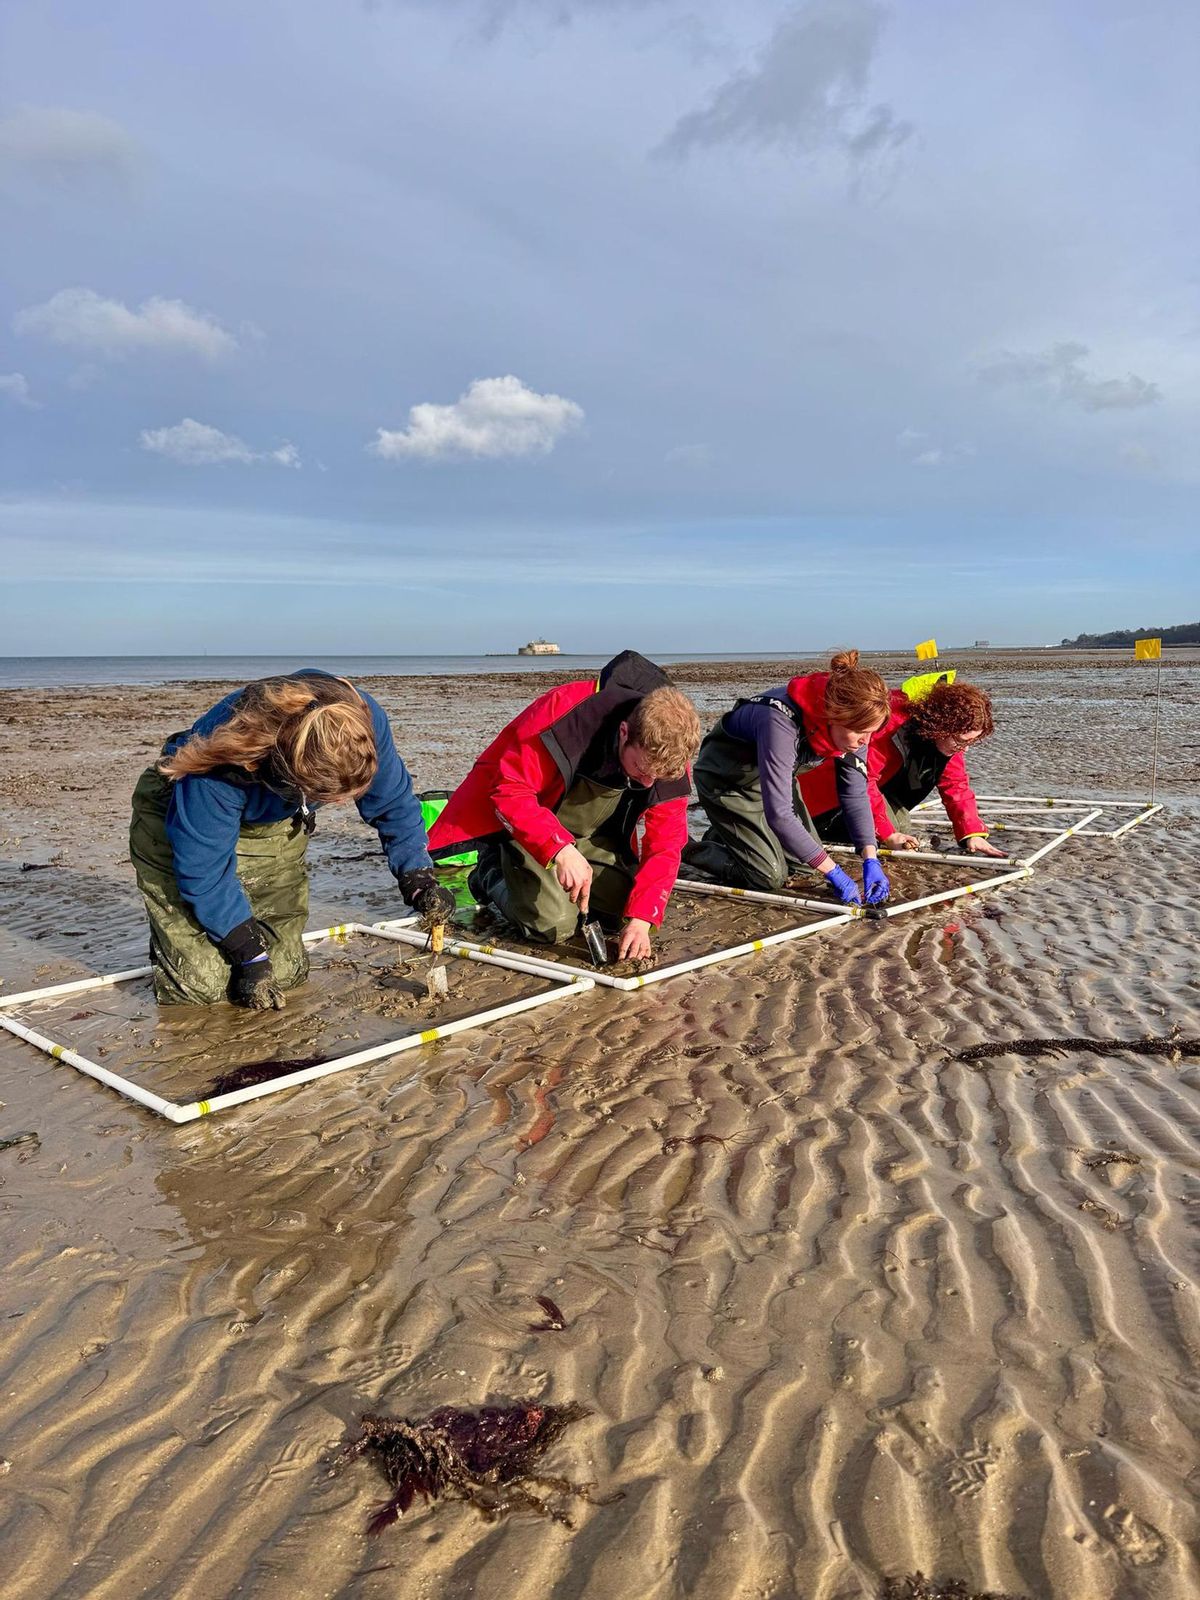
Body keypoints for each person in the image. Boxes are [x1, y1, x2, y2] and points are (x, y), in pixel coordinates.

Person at [129, 670, 454, 1008]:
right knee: (202, 988)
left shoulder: (361, 725)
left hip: (274, 818)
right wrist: (248, 955)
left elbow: (393, 803)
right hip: (181, 816)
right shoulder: (219, 767)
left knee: (286, 973)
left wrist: (418, 878)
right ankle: (173, 944)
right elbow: (204, 872)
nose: (342, 803)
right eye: (331, 796)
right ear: (293, 775)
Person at [427, 650, 702, 962]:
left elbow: (666, 844)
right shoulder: (565, 712)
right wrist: (559, 849)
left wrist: (641, 920)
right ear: (625, 732)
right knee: (553, 926)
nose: (648, 783)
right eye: (641, 770)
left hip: (591, 834)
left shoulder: (670, 752)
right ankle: (490, 874)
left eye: (658, 776)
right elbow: (509, 791)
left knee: (625, 910)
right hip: (529, 827)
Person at [683, 650, 892, 906]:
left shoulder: (856, 725)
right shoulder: (780, 721)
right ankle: (687, 848)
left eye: (872, 732)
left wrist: (870, 857)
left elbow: (854, 793)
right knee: (768, 876)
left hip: (775, 781)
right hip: (727, 783)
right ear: (833, 717)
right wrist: (834, 872)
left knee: (804, 866)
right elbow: (780, 814)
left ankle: (727, 834)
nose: (865, 741)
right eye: (860, 732)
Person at [800, 675, 1006, 856]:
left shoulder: (951, 741)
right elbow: (862, 782)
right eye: (961, 741)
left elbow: (955, 783)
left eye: (970, 743)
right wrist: (888, 834)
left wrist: (971, 833)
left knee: (902, 827)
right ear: (941, 727)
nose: (965, 749)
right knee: (894, 829)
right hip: (827, 798)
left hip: (883, 789)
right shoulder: (890, 727)